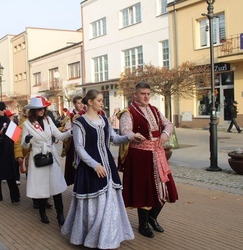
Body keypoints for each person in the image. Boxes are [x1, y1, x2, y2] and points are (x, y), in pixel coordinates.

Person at [61, 89, 136, 249]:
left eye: (102, 100)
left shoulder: (104, 120)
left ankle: (108, 236)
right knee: (94, 205)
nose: (102, 103)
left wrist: (130, 137)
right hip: (90, 168)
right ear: (90, 102)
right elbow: (79, 148)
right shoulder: (79, 123)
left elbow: (114, 139)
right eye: (99, 100)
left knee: (110, 202)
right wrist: (94, 165)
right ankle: (92, 237)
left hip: (107, 165)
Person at [120, 82, 178, 238]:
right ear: (135, 95)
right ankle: (143, 224)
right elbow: (125, 131)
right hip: (140, 156)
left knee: (165, 188)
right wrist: (134, 136)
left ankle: (152, 217)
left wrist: (165, 134)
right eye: (143, 93)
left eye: (148, 93)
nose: (146, 96)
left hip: (157, 154)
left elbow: (168, 124)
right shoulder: (128, 112)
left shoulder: (155, 110)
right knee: (144, 190)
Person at [21, 97, 72, 225]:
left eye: (43, 108)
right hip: (38, 157)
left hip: (51, 155)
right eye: (39, 108)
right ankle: (42, 212)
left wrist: (72, 131)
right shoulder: (27, 124)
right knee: (41, 187)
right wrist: (27, 140)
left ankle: (60, 215)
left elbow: (58, 135)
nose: (42, 110)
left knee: (56, 186)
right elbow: (24, 145)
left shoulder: (48, 120)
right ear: (33, 110)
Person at [63, 95, 85, 186]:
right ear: (74, 104)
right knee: (74, 165)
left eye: (82, 103)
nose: (81, 105)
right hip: (74, 144)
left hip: (85, 142)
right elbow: (67, 130)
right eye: (79, 103)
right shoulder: (70, 116)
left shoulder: (86, 114)